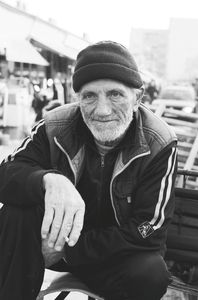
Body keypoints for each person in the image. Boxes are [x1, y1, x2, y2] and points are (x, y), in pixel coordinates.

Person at [0, 41, 177, 300]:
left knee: (151, 273)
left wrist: (70, 249)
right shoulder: (53, 126)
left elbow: (149, 227)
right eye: (90, 96)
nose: (102, 110)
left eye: (115, 94)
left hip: (113, 257)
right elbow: (6, 174)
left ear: (137, 98)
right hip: (52, 247)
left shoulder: (159, 141)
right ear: (78, 99)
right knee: (16, 212)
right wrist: (49, 180)